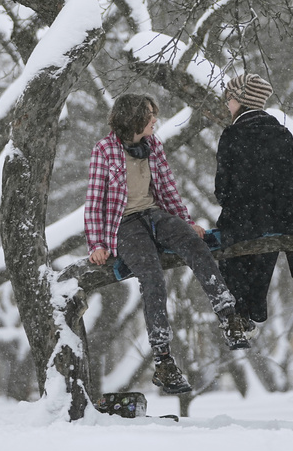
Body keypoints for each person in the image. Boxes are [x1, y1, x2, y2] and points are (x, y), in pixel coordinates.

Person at [85, 94, 251, 395]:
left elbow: (168, 190)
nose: (154, 120)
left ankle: (228, 317)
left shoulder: (154, 146)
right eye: (149, 114)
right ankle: (163, 360)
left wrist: (186, 222)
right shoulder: (105, 150)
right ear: (134, 118)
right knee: (152, 277)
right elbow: (94, 202)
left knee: (195, 247)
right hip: (123, 225)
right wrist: (97, 243)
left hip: (154, 215)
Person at [215, 74, 293, 327]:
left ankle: (237, 319)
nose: (227, 104)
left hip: (239, 223)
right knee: (258, 277)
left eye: (230, 98)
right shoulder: (283, 134)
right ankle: (253, 310)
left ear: (241, 100)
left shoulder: (232, 134)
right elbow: (291, 187)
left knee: (233, 278)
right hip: (275, 222)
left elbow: (221, 190)